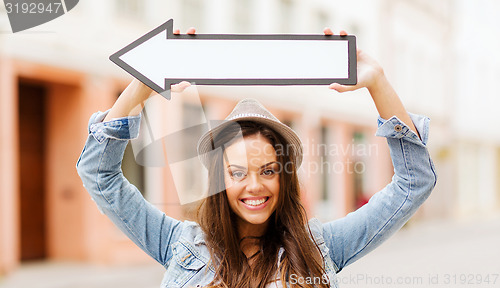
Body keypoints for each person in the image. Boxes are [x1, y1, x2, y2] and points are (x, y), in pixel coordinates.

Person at [76, 27, 437, 288]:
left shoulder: (320, 248)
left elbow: (413, 183)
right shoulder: (177, 243)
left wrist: (378, 83)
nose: (254, 186)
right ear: (220, 179)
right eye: (237, 173)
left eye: (267, 170)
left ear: (284, 175)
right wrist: (140, 87)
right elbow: (99, 174)